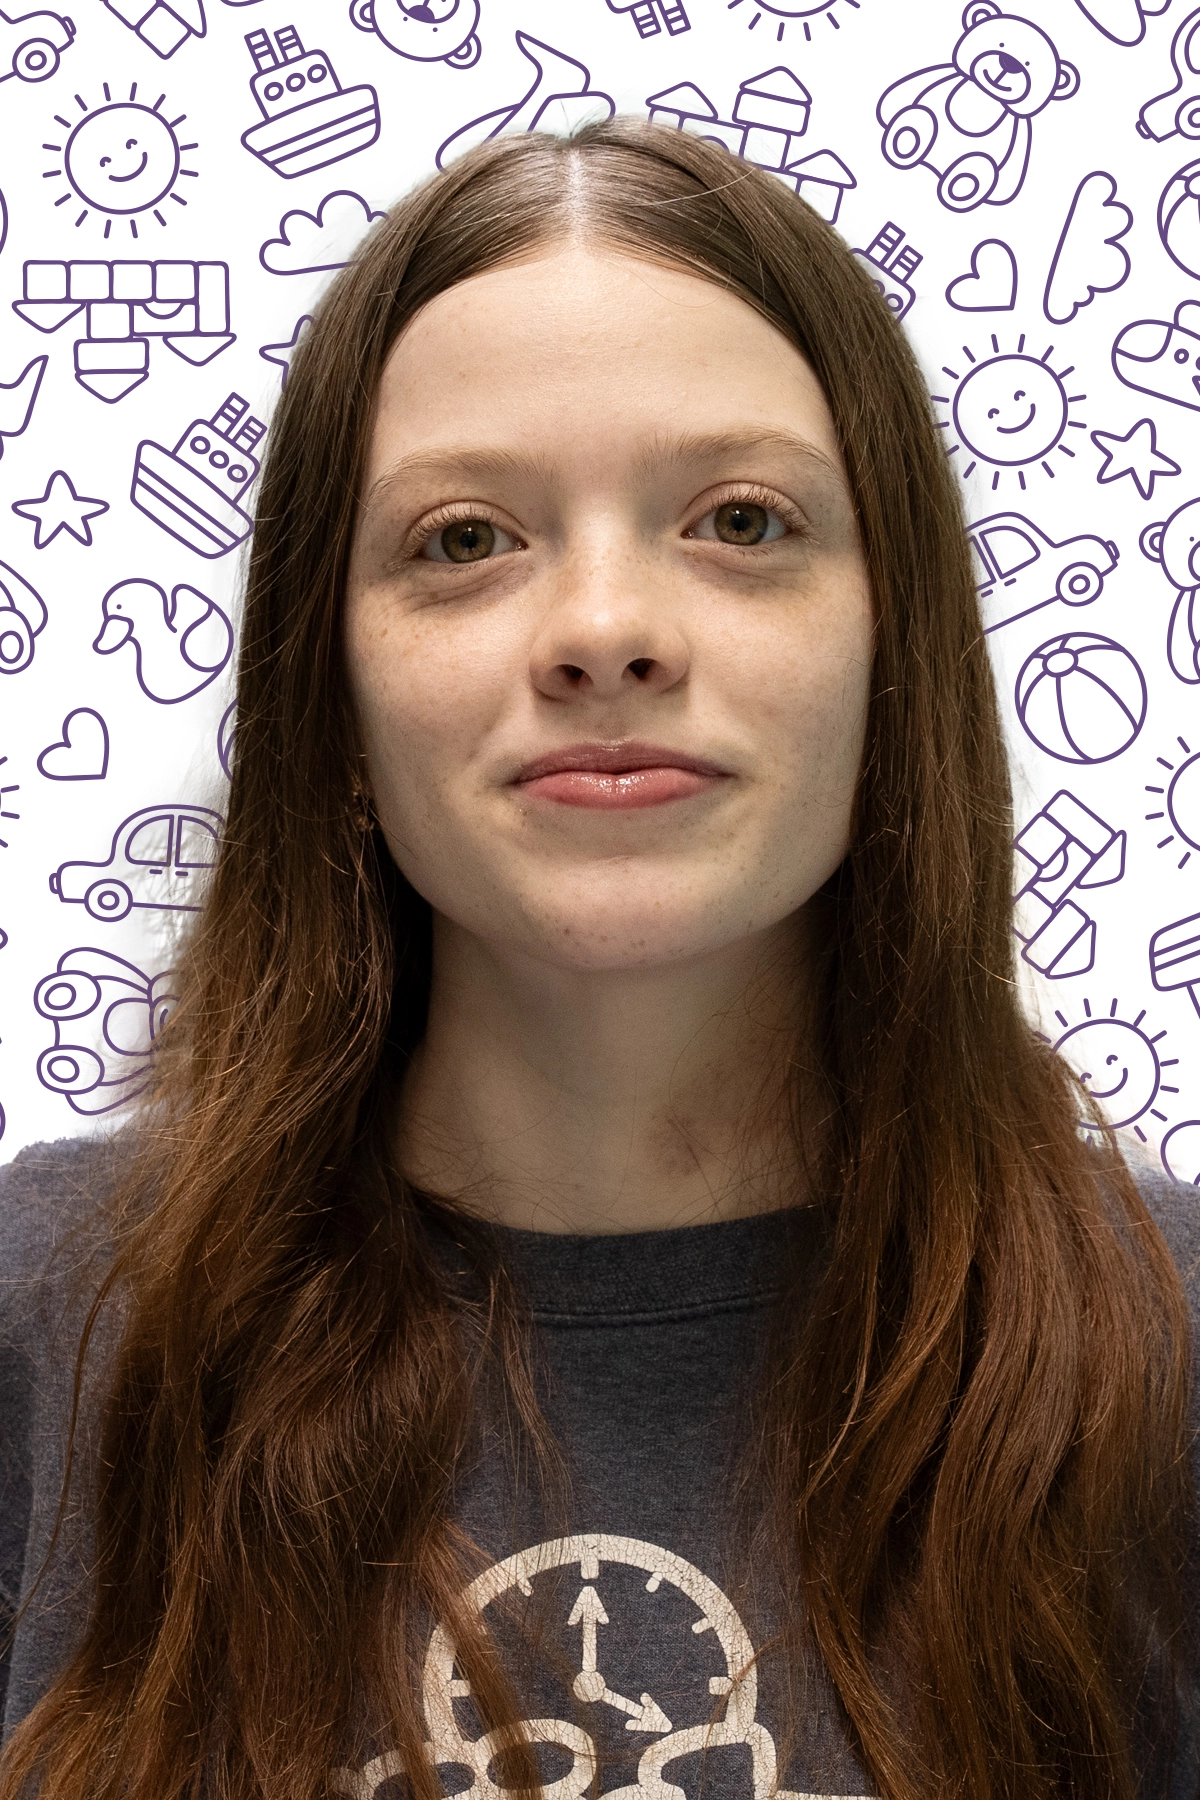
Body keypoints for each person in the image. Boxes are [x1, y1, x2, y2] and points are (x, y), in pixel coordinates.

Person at [1, 119, 1197, 1800]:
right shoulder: (51, 1321)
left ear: (896, 645)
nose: (605, 630)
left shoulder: (1168, 1347)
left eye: (741, 519)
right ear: (328, 694)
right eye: (465, 539)